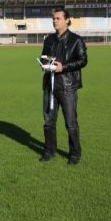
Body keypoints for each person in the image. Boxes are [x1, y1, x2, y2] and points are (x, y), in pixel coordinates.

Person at [39, 9, 88, 165]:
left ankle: (74, 154)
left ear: (67, 20)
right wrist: (45, 64)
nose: (55, 21)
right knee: (48, 122)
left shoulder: (76, 40)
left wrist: (63, 67)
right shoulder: (49, 40)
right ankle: (49, 151)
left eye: (58, 18)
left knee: (71, 123)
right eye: (53, 18)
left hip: (68, 86)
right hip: (50, 86)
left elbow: (83, 61)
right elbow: (44, 57)